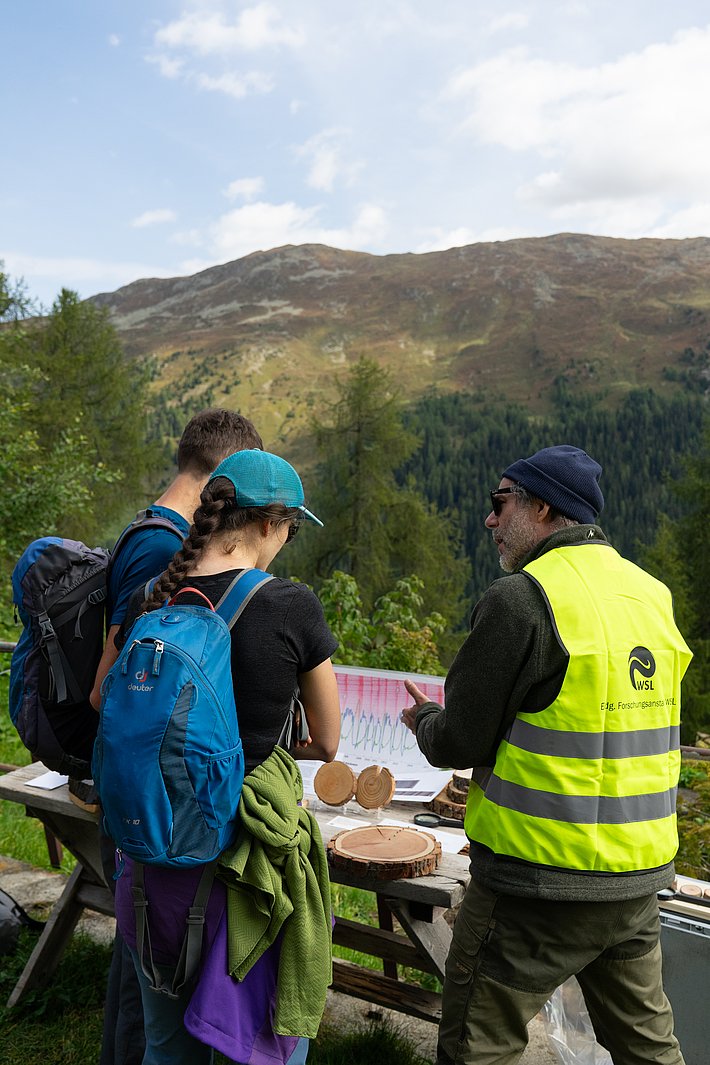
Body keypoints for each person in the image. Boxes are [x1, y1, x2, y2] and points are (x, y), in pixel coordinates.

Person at [401, 444, 692, 1065]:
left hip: (534, 883)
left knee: (477, 1046)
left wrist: (425, 719)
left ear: (542, 507)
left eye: (499, 502)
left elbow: (461, 740)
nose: (489, 519)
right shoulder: (651, 596)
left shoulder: (521, 600)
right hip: (636, 880)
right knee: (650, 1052)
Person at [111, 448, 341, 1064]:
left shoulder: (150, 599)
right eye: (290, 528)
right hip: (238, 866)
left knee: (165, 1045)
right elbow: (328, 739)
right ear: (270, 523)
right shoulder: (290, 605)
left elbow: (100, 699)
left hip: (150, 856)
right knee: (257, 1048)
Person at [96, 408, 264, 1065]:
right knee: (155, 982)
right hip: (158, 798)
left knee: (142, 962)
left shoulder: (148, 528)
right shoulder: (170, 551)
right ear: (225, 481)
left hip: (134, 782)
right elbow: (114, 686)